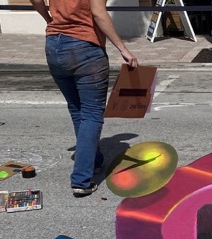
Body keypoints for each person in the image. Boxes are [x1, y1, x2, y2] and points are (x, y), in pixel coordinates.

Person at [29, 0, 138, 197]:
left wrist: (48, 18)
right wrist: (123, 48)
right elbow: (98, 13)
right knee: (91, 113)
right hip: (85, 46)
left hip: (54, 45)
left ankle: (94, 161)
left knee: (77, 108)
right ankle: (81, 180)